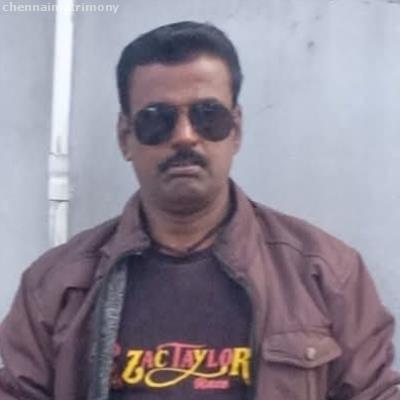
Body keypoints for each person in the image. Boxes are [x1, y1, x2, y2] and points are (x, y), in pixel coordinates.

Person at [0, 21, 399, 400]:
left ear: (236, 129)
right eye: (157, 120)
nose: (185, 136)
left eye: (208, 116)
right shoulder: (55, 286)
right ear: (125, 136)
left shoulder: (326, 274)